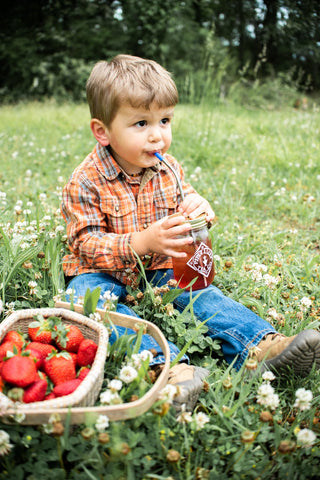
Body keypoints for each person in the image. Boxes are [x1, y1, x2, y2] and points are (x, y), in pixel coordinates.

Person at [61, 54, 320, 411]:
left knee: (202, 295)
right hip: (100, 272)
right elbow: (84, 242)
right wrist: (141, 242)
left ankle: (261, 346)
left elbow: (186, 195)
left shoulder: (168, 167)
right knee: (85, 306)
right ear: (102, 131)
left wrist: (199, 208)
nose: (157, 135)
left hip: (159, 270)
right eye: (141, 123)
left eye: (165, 120)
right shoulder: (85, 181)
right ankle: (167, 368)